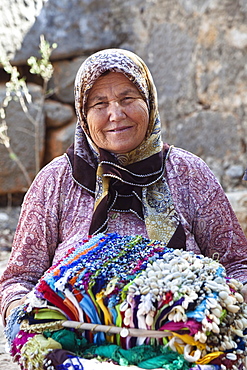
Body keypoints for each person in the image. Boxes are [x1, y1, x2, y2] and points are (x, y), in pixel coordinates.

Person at [1, 48, 247, 325]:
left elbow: (237, 266)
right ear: (83, 113)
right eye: (99, 104)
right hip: (80, 343)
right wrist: (28, 318)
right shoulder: (56, 181)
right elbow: (19, 280)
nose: (116, 114)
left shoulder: (188, 173)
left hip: (183, 339)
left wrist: (223, 308)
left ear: (149, 101)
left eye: (127, 98)